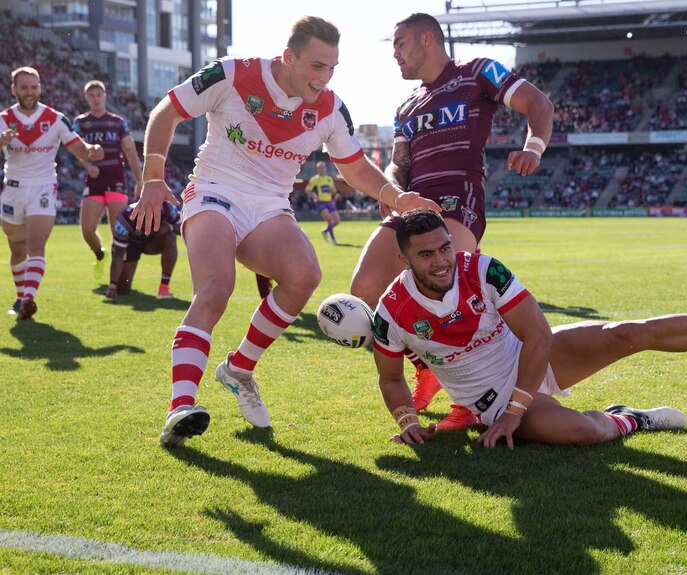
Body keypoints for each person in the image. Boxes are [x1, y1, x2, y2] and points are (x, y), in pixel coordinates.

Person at [131, 16, 440, 446]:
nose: (324, 77)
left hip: (269, 208)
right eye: (316, 66)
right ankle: (181, 406)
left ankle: (238, 369)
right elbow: (167, 112)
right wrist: (152, 178)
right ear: (288, 56)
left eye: (332, 67)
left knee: (304, 275)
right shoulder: (233, 73)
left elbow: (351, 166)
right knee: (217, 288)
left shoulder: (330, 107)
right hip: (214, 192)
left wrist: (396, 197)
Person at [372, 209, 687, 449]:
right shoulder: (391, 311)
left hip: (530, 357)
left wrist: (517, 412)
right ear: (404, 258)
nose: (442, 260)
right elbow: (390, 377)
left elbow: (538, 335)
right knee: (580, 432)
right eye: (426, 254)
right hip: (491, 401)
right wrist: (408, 419)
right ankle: (631, 419)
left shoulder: (482, 268)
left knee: (628, 332)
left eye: (446, 246)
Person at [350, 13, 555, 429]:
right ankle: (427, 368)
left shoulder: (477, 72)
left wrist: (533, 147)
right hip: (412, 208)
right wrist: (390, 193)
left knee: (457, 299)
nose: (395, 54)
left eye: (400, 43)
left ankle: (472, 398)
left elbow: (538, 103)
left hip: (457, 203)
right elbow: (396, 166)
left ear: (428, 39)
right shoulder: (406, 106)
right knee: (363, 293)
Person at [0, 67, 104, 321]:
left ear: (40, 88)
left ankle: (28, 299)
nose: (29, 92)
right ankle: (21, 294)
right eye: (24, 87)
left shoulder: (55, 118)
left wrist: (90, 151)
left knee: (36, 245)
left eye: (34, 87)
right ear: (14, 90)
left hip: (44, 186)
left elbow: (78, 146)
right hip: (12, 189)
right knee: (17, 249)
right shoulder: (3, 119)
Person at [73, 80, 143, 280]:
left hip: (116, 178)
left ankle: (120, 275)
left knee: (118, 229)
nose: (95, 99)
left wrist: (139, 180)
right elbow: (77, 150)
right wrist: (88, 166)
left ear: (104, 96)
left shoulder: (118, 122)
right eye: (91, 95)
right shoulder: (81, 122)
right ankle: (99, 254)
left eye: (98, 94)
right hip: (94, 180)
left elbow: (130, 151)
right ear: (86, 98)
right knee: (87, 229)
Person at [106, 200, 179, 300]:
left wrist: (170, 227)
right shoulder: (125, 218)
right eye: (146, 223)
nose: (148, 229)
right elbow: (118, 253)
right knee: (122, 290)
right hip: (131, 245)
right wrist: (112, 286)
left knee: (170, 237)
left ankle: (164, 287)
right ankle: (118, 284)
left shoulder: (168, 209)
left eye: (153, 224)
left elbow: (185, 228)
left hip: (153, 242)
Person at [306, 160, 340, 243]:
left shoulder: (329, 179)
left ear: (325, 169)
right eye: (320, 168)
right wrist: (314, 196)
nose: (322, 169)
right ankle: (333, 239)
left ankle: (325, 231)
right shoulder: (314, 180)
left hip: (329, 202)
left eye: (323, 168)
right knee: (330, 220)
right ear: (317, 170)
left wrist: (334, 192)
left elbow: (333, 190)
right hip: (320, 203)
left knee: (337, 221)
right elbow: (308, 190)